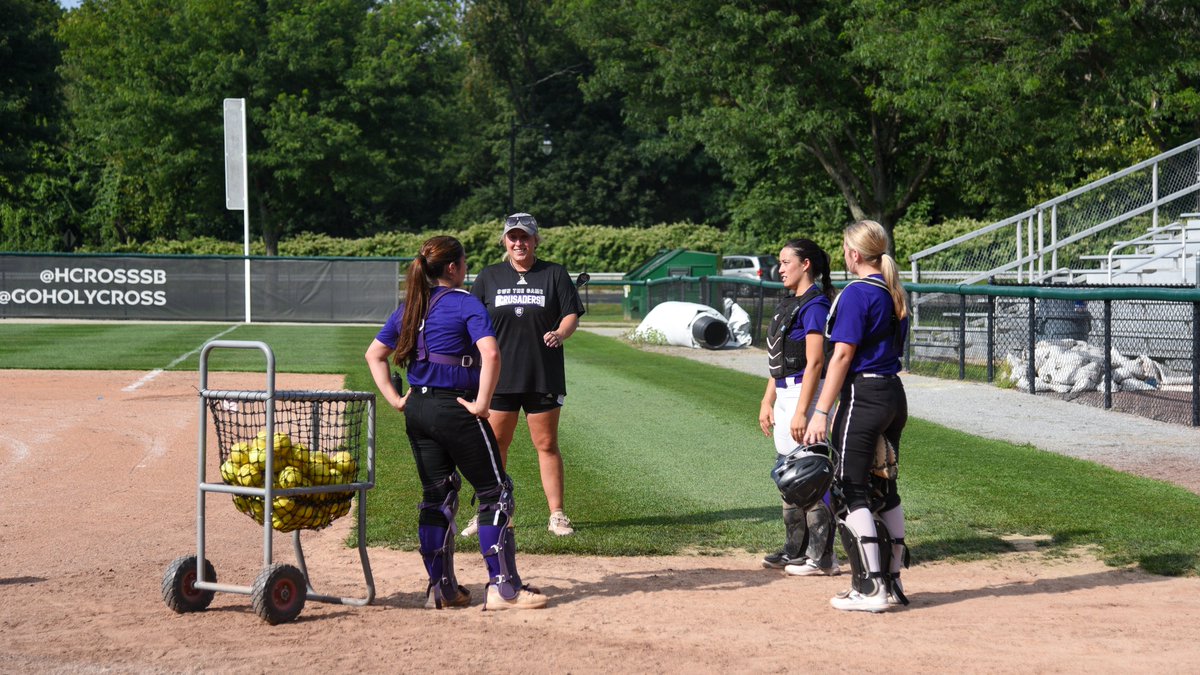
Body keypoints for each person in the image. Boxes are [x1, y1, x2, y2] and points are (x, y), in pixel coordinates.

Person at [365, 235, 547, 611]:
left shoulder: (410, 308)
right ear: (453, 268)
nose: (466, 267)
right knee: (496, 493)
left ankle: (442, 590)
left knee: (438, 496)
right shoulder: (466, 304)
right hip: (455, 408)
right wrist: (482, 404)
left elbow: (374, 355)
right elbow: (491, 354)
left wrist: (397, 400)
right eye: (464, 261)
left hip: (418, 410)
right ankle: (503, 589)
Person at [804, 220, 910, 613]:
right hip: (892, 396)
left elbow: (843, 356)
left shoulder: (856, 293)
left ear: (853, 254)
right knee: (884, 487)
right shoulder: (893, 291)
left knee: (851, 489)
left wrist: (821, 410)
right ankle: (893, 579)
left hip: (863, 396)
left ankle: (872, 589)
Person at [465, 212, 585, 537]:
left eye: (525, 237)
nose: (519, 243)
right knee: (496, 443)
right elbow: (472, 317)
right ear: (505, 241)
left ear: (535, 240)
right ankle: (490, 512)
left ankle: (557, 515)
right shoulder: (489, 276)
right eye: (513, 237)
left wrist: (560, 333)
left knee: (546, 443)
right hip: (499, 376)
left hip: (541, 374)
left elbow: (571, 313)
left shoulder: (554, 274)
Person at [759, 238, 840, 577]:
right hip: (784, 393)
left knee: (811, 476)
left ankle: (822, 557)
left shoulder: (815, 305)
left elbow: (815, 362)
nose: (780, 269)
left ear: (805, 264)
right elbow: (778, 363)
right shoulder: (788, 304)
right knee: (789, 476)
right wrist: (767, 400)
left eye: (785, 262)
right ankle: (795, 550)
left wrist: (803, 411)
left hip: (804, 395)